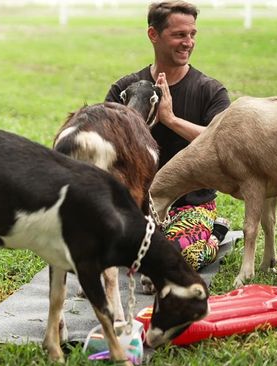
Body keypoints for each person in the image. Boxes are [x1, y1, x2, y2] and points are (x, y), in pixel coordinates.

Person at [105, 1, 231, 270]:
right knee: (103, 249)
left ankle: (217, 233)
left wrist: (171, 120)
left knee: (181, 260)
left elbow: (224, 143)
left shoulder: (211, 91)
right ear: (153, 35)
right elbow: (109, 147)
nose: (188, 42)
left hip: (189, 204)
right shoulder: (124, 89)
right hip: (135, 205)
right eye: (179, 35)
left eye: (192, 34)